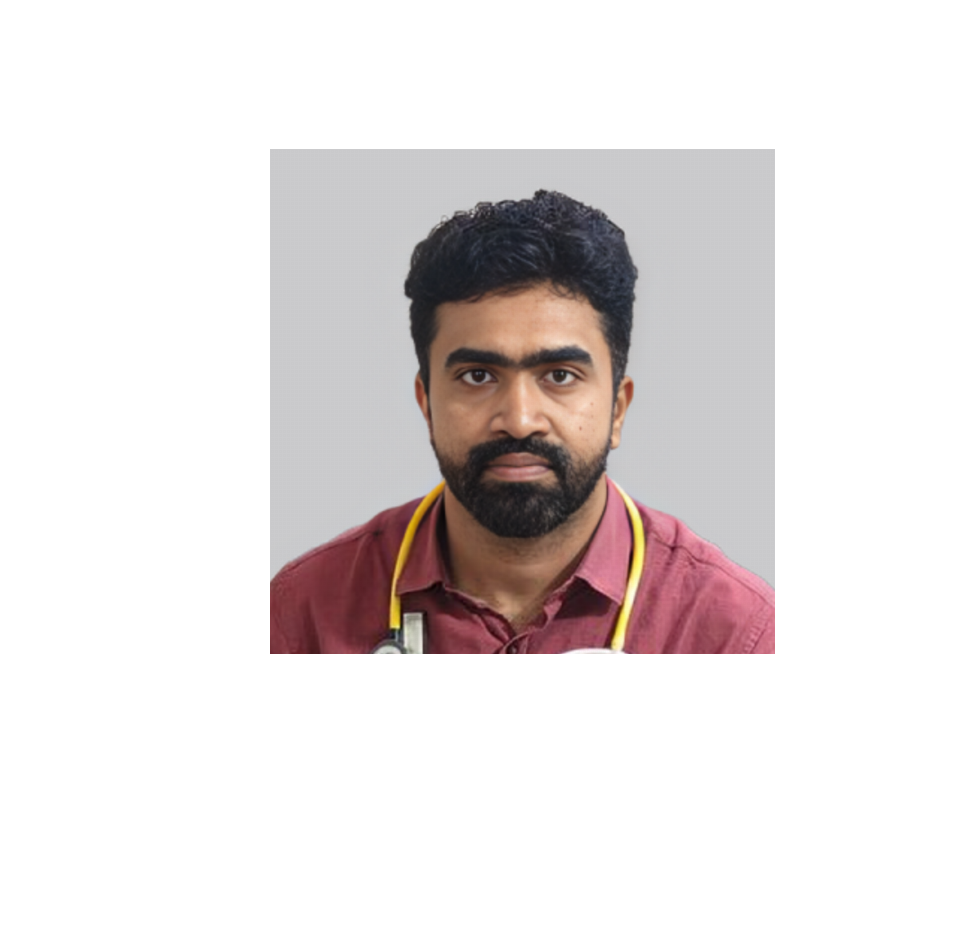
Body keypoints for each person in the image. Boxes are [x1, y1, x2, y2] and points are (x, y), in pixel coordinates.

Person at [270, 190, 774, 655]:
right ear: (426, 404)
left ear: (618, 408)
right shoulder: (301, 613)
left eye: (559, 375)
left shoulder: (736, 632)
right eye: (478, 375)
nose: (519, 420)